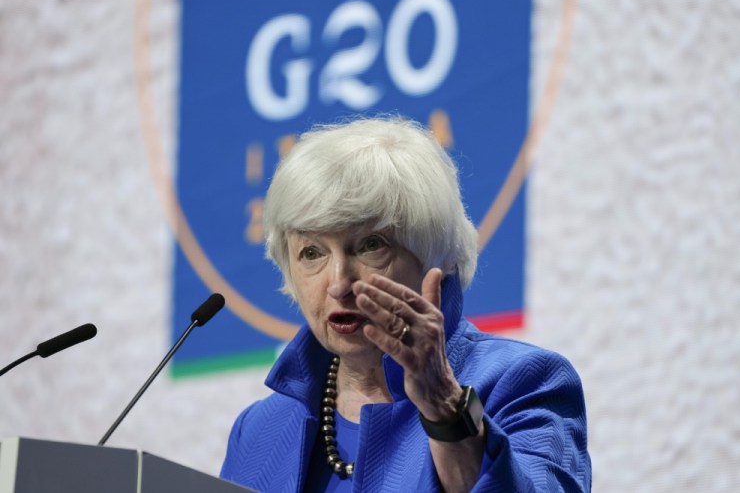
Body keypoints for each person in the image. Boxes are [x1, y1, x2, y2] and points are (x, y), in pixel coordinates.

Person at [220, 116, 591, 492]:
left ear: (437, 257)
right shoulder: (259, 430)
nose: (338, 284)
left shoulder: (523, 381)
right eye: (312, 252)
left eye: (370, 246)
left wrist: (446, 407)